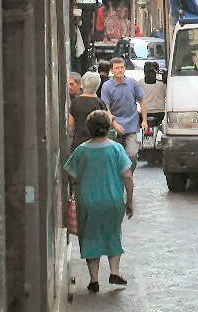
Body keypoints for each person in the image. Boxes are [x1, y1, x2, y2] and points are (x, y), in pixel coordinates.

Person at [64, 110, 134, 294]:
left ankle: (94, 280)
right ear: (108, 127)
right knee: (113, 233)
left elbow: (71, 174)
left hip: (87, 201)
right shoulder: (117, 149)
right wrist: (130, 202)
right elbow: (128, 176)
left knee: (90, 236)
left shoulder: (81, 150)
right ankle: (114, 272)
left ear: (89, 128)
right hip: (113, 201)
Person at [101, 57, 148, 172]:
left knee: (132, 154)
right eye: (117, 68)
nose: (120, 70)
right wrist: (114, 124)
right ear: (112, 71)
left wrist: (144, 120)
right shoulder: (107, 86)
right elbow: (106, 108)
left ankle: (128, 176)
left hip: (131, 125)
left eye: (122, 67)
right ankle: (117, 178)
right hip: (114, 127)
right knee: (115, 156)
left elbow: (142, 101)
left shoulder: (132, 83)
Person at [69, 72, 124, 151]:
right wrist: (116, 125)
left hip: (79, 143)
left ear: (83, 84)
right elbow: (108, 119)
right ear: (97, 85)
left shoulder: (75, 102)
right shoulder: (100, 103)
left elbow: (71, 125)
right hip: (97, 144)